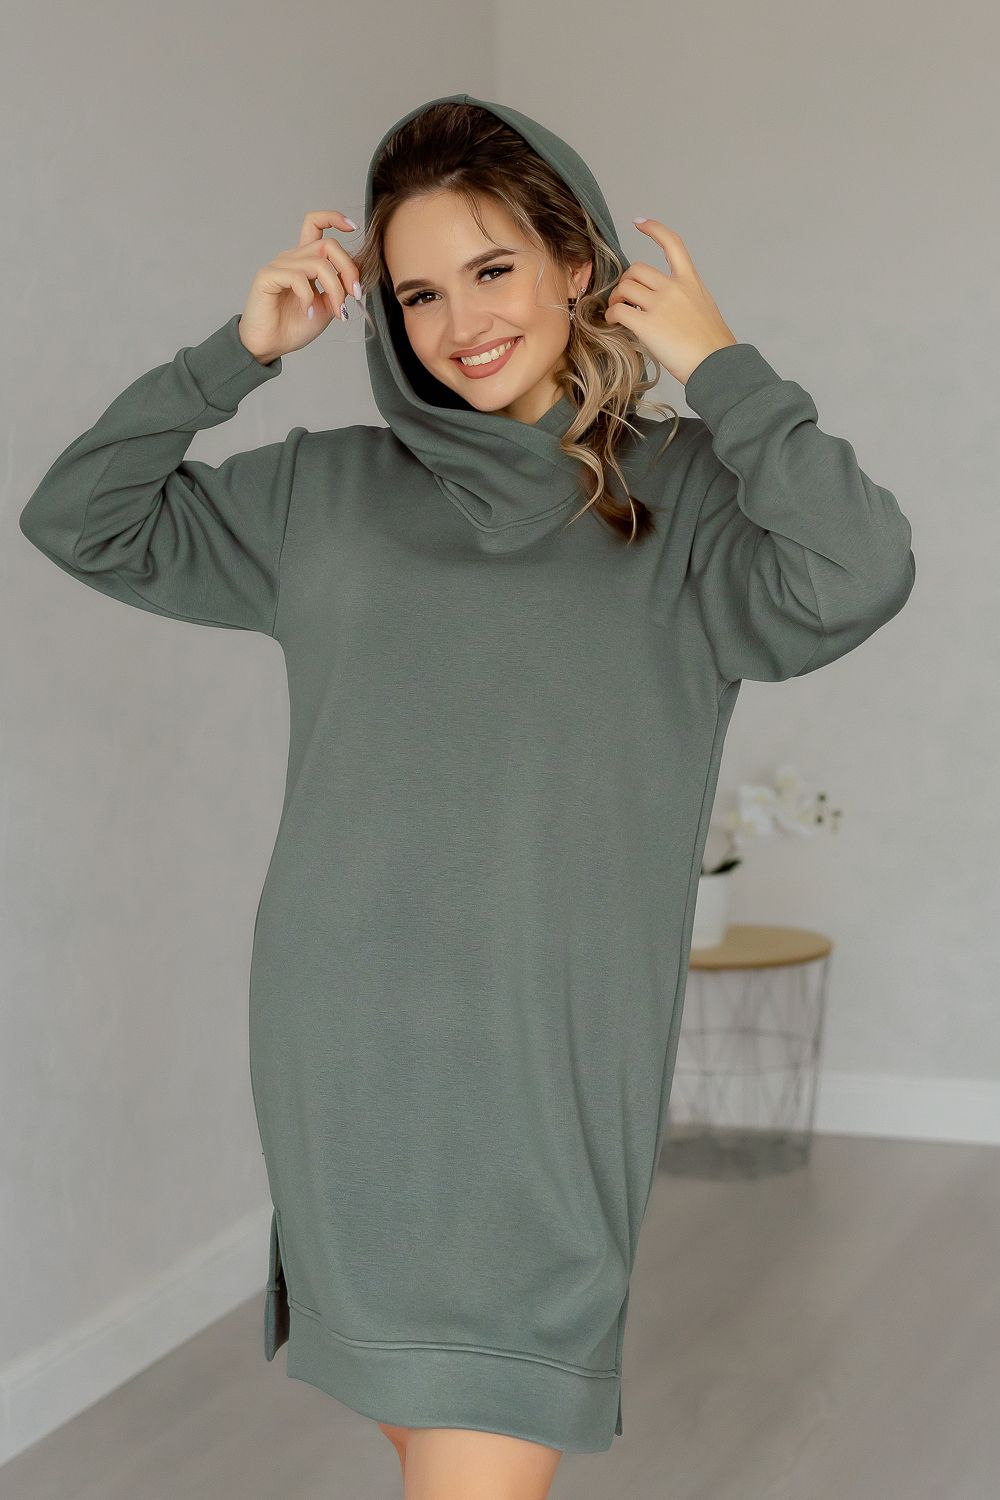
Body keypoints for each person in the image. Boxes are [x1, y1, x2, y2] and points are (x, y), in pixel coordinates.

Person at [18, 92, 916, 1500]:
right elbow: (79, 517)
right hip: (345, 1046)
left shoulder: (688, 501)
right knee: (435, 1441)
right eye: (419, 292)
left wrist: (724, 368)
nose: (458, 324)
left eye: (493, 269)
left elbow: (863, 571)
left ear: (578, 262)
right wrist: (235, 355)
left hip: (546, 1067)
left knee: (477, 1432)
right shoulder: (322, 493)